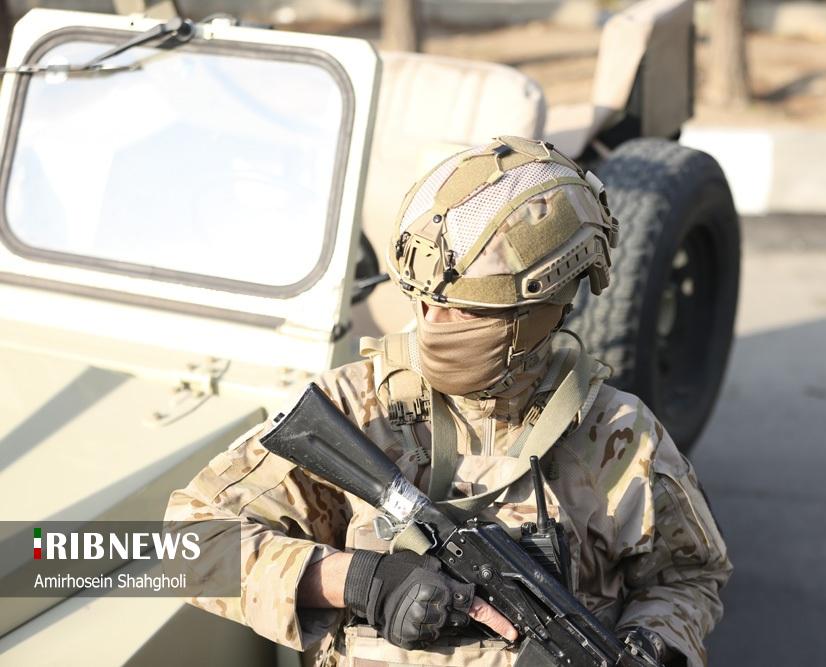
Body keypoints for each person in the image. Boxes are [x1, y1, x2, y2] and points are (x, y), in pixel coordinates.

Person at [166, 136, 731, 667]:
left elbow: (690, 577)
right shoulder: (356, 408)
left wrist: (654, 643)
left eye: (468, 311)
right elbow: (184, 545)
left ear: (543, 308)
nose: (436, 324)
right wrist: (359, 581)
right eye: (423, 301)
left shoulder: (619, 435)